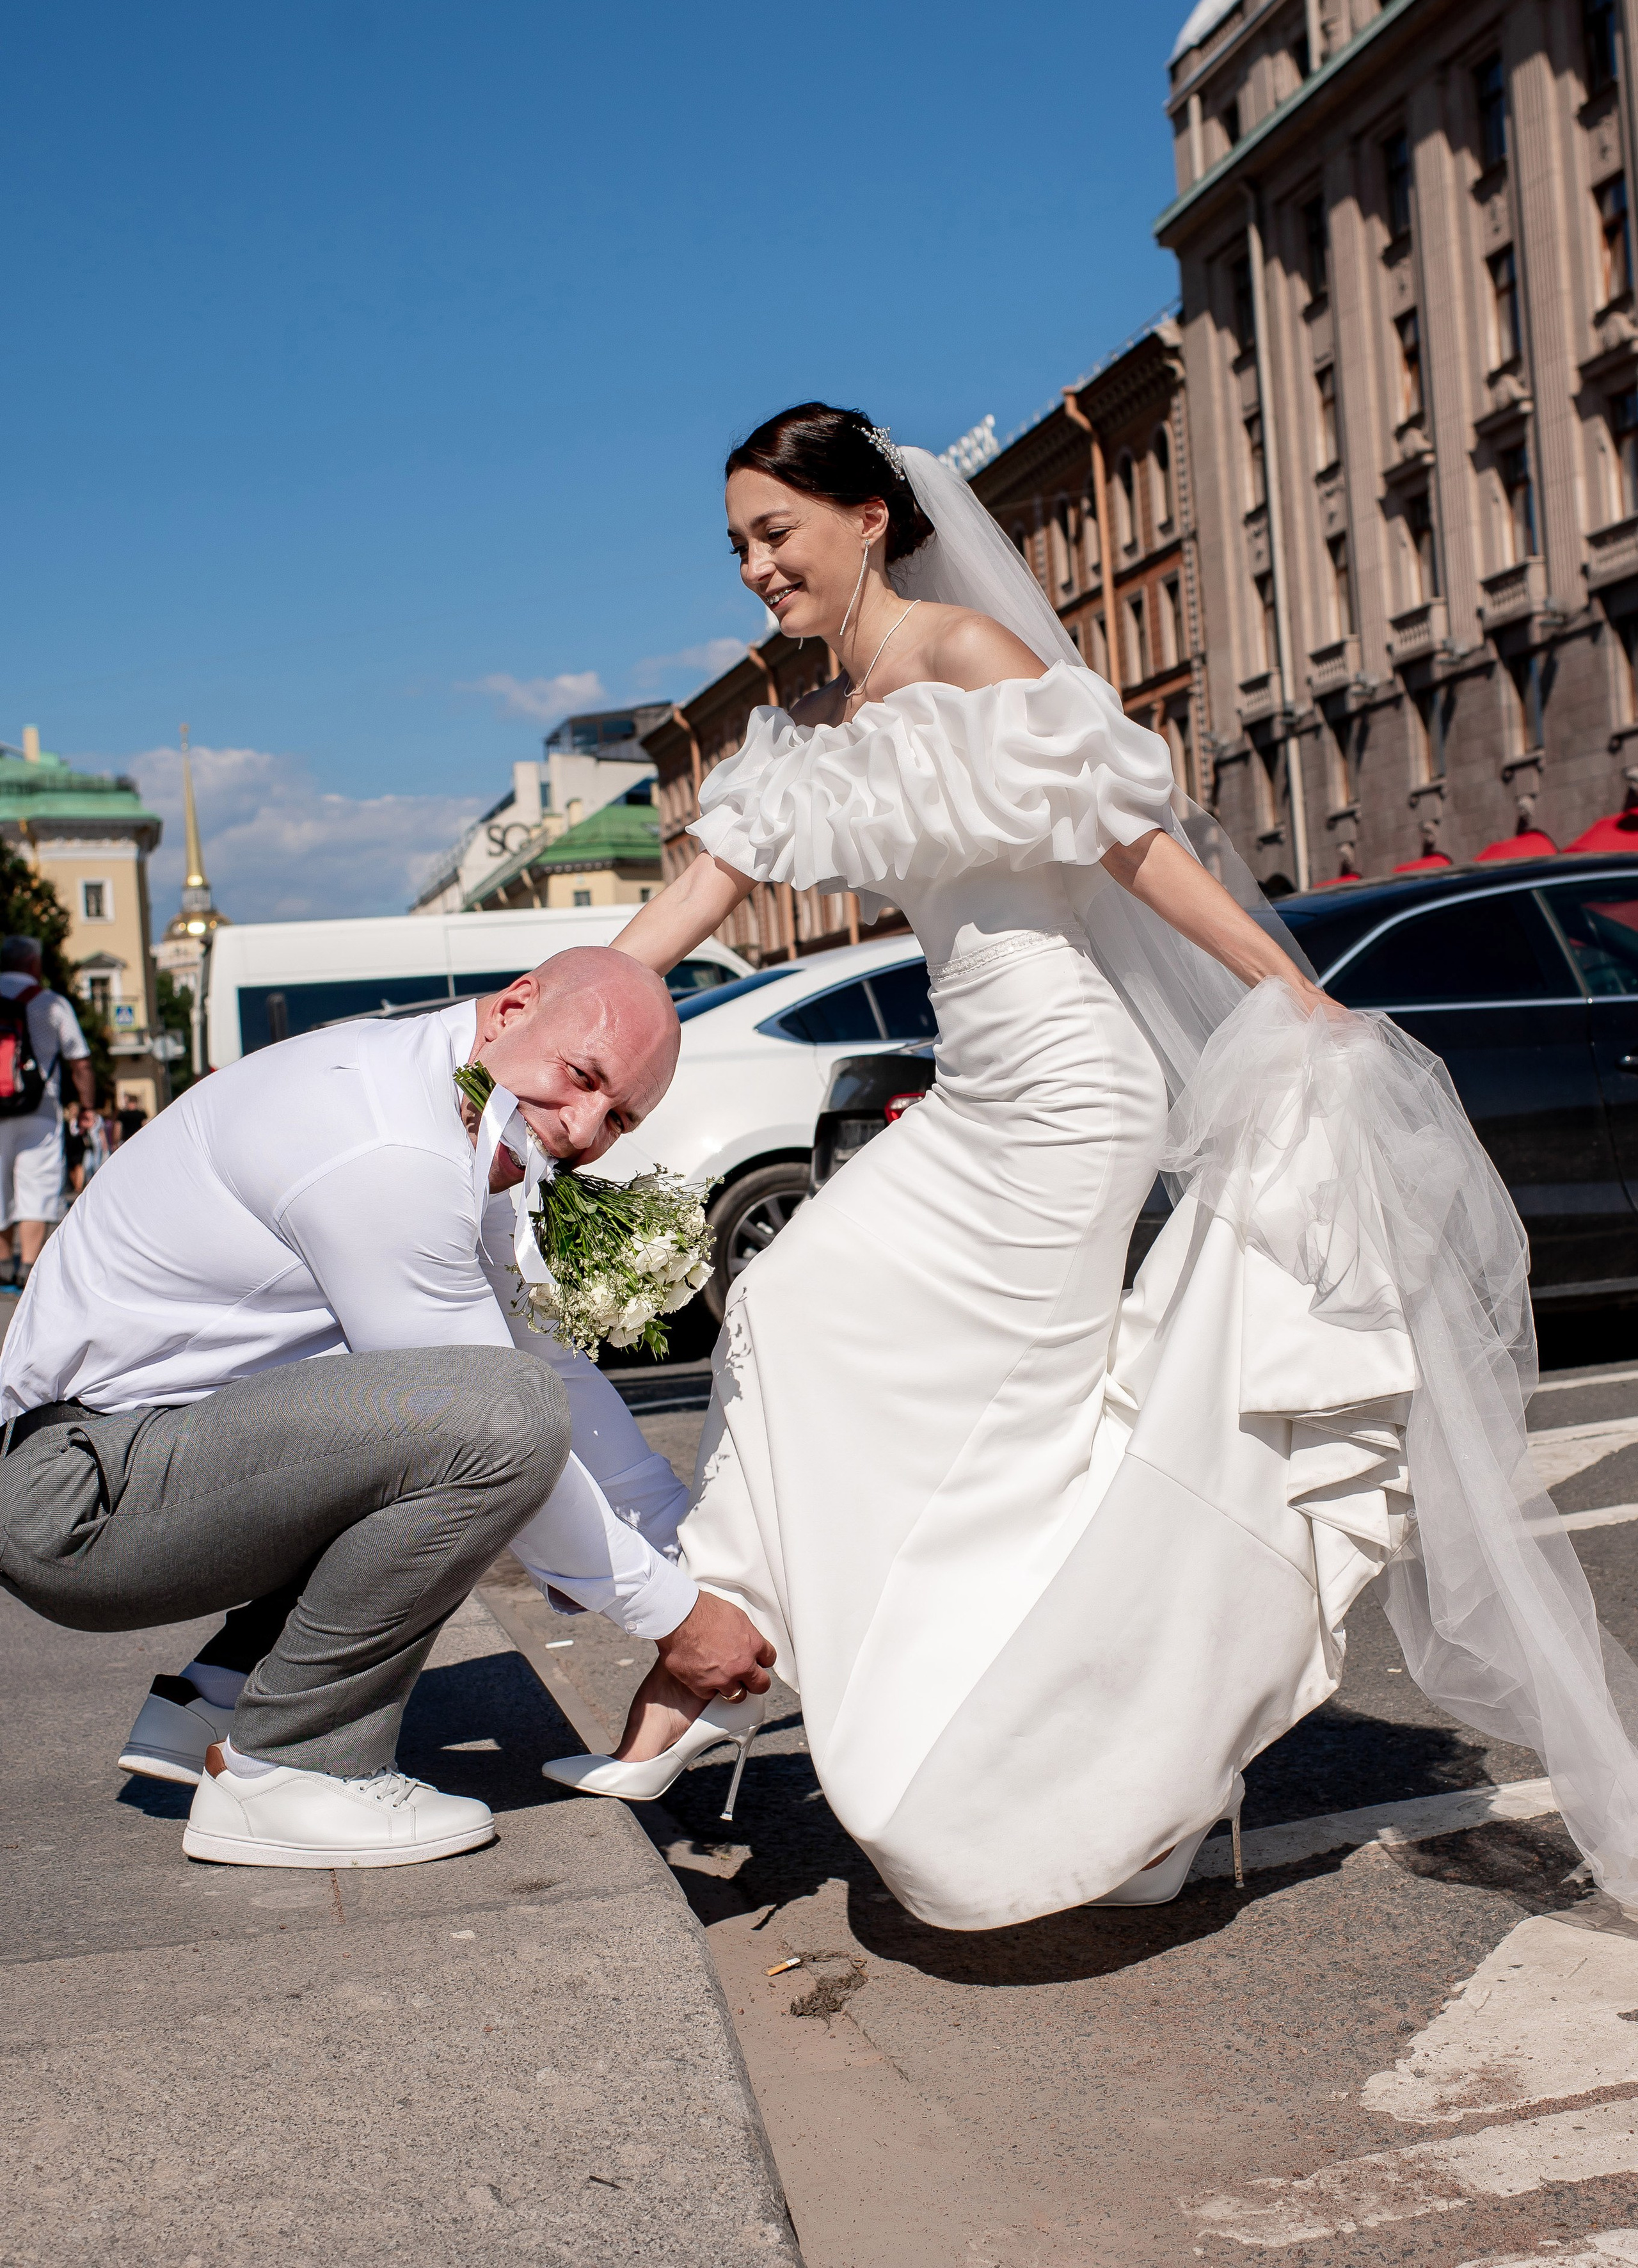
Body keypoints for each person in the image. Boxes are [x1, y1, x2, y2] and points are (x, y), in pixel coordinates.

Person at [543, 403, 1638, 1931]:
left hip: (1068, 1094)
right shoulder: (812, 723)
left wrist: (1287, 990)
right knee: (801, 1317)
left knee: (991, 1414)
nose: (753, 567)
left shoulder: (967, 654)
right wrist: (538, 1026)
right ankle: (762, 1677)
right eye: (734, 544)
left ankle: (988, 1727)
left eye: (773, 532)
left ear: (867, 517)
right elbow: (689, 896)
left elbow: (1133, 846)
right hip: (972, 1092)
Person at [0, 948, 771, 1871]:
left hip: (123, 1459)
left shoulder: (454, 1097)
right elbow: (505, 1423)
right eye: (582, 1076)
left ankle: (220, 1696)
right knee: (484, 1425)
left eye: (619, 1118)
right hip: (79, 1499)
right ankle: (290, 1768)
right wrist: (679, 1618)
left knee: (459, 1414)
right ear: (513, 1007)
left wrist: (689, 1547)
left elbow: (547, 1363)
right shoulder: (389, 1143)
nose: (581, 1129)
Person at [0, 934, 94, 1293]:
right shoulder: (50, 1003)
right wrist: (86, 1108)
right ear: (34, 964)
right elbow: (80, 1062)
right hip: (39, 1109)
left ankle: (3, 1265)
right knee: (36, 1186)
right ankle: (27, 1268)